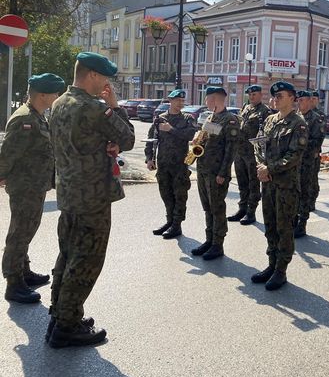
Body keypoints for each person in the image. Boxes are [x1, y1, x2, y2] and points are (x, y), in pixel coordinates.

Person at [48, 52, 135, 348]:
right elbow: (129, 139)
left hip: (69, 192)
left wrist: (104, 143)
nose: (107, 83)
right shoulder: (93, 108)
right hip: (93, 196)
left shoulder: (59, 103)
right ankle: (66, 326)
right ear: (93, 76)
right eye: (105, 77)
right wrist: (115, 107)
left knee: (68, 254)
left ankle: (60, 312)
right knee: (86, 260)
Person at [1, 73, 65, 304]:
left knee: (27, 229)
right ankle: (13, 283)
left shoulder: (37, 116)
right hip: (25, 186)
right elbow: (9, 153)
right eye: (55, 92)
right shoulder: (24, 119)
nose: (57, 96)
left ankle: (23, 272)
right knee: (19, 233)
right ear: (43, 95)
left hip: (34, 184)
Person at [251, 81, 308, 290]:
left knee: (284, 228)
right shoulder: (269, 121)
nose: (275, 100)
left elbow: (294, 156)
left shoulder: (298, 124)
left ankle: (281, 270)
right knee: (270, 226)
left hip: (286, 186)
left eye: (280, 96)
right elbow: (259, 145)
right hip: (268, 184)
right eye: (274, 96)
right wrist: (260, 165)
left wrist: (270, 169)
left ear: (292, 99)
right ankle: (271, 264)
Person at [190, 87, 240, 260]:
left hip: (217, 172)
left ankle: (218, 244)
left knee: (217, 208)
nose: (205, 102)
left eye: (207, 99)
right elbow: (207, 141)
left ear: (215, 99)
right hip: (204, 170)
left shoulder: (230, 120)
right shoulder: (212, 117)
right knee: (207, 208)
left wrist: (223, 173)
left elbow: (231, 149)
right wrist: (197, 140)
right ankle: (209, 240)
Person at [146, 89, 197, 239]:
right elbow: (151, 140)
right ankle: (170, 221)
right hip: (163, 164)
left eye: (183, 100)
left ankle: (177, 225)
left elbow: (189, 135)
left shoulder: (188, 118)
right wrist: (149, 158)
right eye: (178, 100)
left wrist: (171, 129)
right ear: (170, 100)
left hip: (180, 165)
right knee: (166, 194)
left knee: (180, 195)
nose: (181, 103)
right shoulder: (160, 119)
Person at [228, 85, 270, 225]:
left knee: (253, 184)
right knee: (242, 183)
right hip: (240, 152)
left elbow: (266, 134)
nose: (251, 97)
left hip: (252, 154)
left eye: (254, 94)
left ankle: (251, 212)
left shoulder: (265, 112)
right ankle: (242, 209)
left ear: (260, 95)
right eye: (250, 94)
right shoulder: (246, 108)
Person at [294, 90, 326, 238]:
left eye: (302, 100)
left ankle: (302, 223)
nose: (299, 103)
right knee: (295, 191)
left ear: (309, 101)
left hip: (307, 161)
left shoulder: (316, 119)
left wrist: (299, 145)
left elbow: (317, 141)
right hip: (294, 161)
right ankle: (294, 219)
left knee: (305, 191)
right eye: (298, 100)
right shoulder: (296, 117)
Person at [310, 90, 326, 210]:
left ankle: (312, 200)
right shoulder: (303, 112)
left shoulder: (320, 115)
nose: (312, 101)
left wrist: (316, 151)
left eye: (314, 99)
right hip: (303, 153)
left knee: (313, 178)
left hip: (314, 153)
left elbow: (321, 135)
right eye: (311, 99)